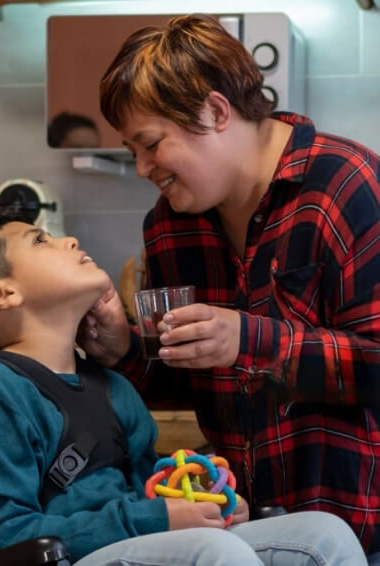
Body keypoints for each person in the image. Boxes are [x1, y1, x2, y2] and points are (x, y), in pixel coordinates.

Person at [82, 12, 379, 562]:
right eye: (131, 150)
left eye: (150, 144)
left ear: (216, 111)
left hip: (359, 533)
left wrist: (249, 339)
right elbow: (178, 380)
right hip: (239, 535)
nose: (143, 167)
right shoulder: (168, 225)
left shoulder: (346, 185)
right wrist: (124, 349)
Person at [0, 211, 369, 566]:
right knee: (214, 551)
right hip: (73, 554)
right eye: (40, 241)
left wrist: (203, 500)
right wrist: (156, 518)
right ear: (1, 294)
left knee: (324, 534)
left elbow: (148, 489)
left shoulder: (113, 387)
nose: (69, 240)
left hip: (135, 542)